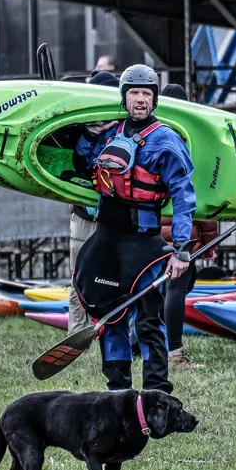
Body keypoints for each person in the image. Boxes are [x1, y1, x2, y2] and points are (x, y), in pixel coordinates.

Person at [71, 64, 197, 394]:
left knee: (147, 321)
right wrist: (87, 134)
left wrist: (181, 249)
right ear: (124, 97)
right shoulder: (109, 134)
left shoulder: (166, 141)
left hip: (144, 244)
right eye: (134, 93)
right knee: (110, 319)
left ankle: (156, 391)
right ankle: (118, 392)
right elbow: (82, 164)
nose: (140, 99)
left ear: (154, 100)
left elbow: (184, 196)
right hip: (106, 240)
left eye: (146, 94)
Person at [152, 82, 220, 370]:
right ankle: (175, 354)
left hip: (152, 231)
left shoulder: (151, 134)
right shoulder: (191, 140)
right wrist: (209, 241)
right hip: (182, 233)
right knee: (177, 288)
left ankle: (146, 345)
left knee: (158, 290)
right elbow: (201, 197)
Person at [67, 68, 122, 334]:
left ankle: (110, 333)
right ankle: (77, 335)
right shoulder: (86, 128)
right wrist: (91, 133)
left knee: (113, 280)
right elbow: (80, 163)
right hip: (86, 217)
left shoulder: (123, 129)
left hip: (110, 219)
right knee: (79, 280)